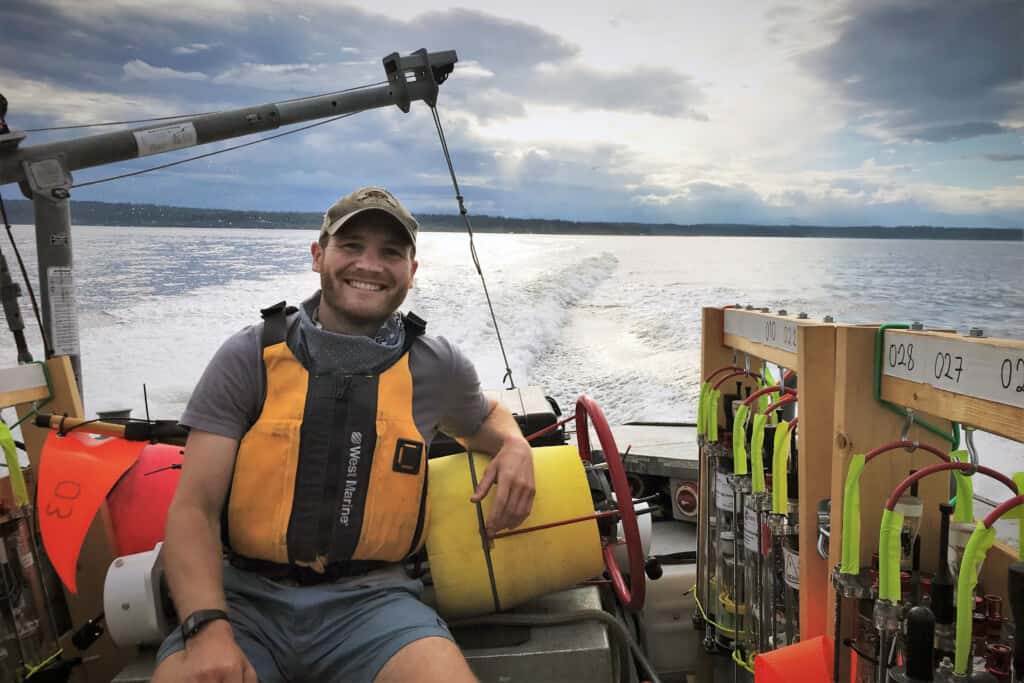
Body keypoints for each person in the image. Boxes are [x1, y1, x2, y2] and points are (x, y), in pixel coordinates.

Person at [153, 187, 536, 683]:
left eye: (390, 253)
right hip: (246, 602)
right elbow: (193, 510)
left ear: (411, 272)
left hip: (375, 606)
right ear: (318, 256)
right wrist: (209, 632)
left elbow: (484, 417)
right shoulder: (249, 357)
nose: (370, 265)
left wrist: (515, 443)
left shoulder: (435, 366)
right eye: (351, 245)